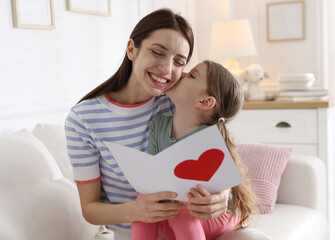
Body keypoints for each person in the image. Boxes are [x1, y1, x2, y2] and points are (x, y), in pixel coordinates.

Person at [65, 9, 231, 239]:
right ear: (132, 49)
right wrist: (137, 211)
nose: (167, 69)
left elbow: (222, 160)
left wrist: (222, 196)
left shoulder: (179, 103)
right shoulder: (83, 119)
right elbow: (90, 209)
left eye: (179, 62)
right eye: (157, 52)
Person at [131, 60, 258, 240]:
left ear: (205, 102)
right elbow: (154, 176)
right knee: (144, 197)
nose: (181, 74)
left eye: (191, 75)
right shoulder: (158, 125)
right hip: (173, 220)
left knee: (184, 207)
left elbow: (222, 188)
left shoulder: (209, 138)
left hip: (212, 220)